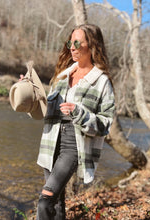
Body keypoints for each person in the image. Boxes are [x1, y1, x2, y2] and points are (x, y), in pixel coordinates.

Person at [36, 24, 115, 220]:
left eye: (77, 42)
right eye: (70, 42)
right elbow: (44, 111)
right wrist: (28, 92)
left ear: (92, 45)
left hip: (74, 143)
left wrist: (79, 113)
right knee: (58, 203)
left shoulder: (102, 81)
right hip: (49, 140)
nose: (72, 47)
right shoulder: (62, 76)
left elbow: (106, 124)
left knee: (45, 200)